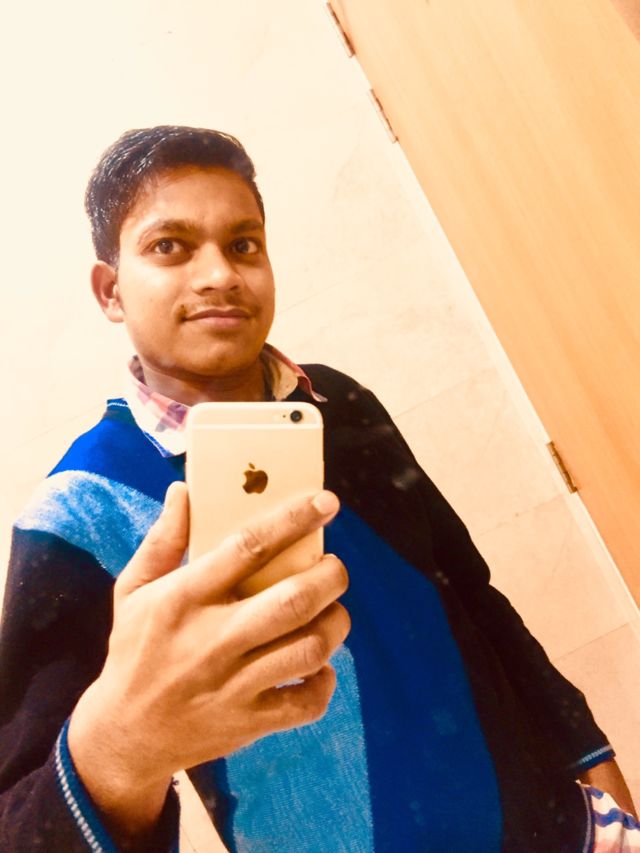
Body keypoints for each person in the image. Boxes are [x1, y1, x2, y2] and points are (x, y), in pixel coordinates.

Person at [0, 125, 637, 852]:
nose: (220, 274)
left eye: (243, 244)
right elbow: (18, 818)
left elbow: (472, 595)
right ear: (110, 290)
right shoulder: (79, 510)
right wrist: (119, 751)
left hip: (564, 831)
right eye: (170, 246)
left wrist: (589, 758)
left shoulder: (342, 403)